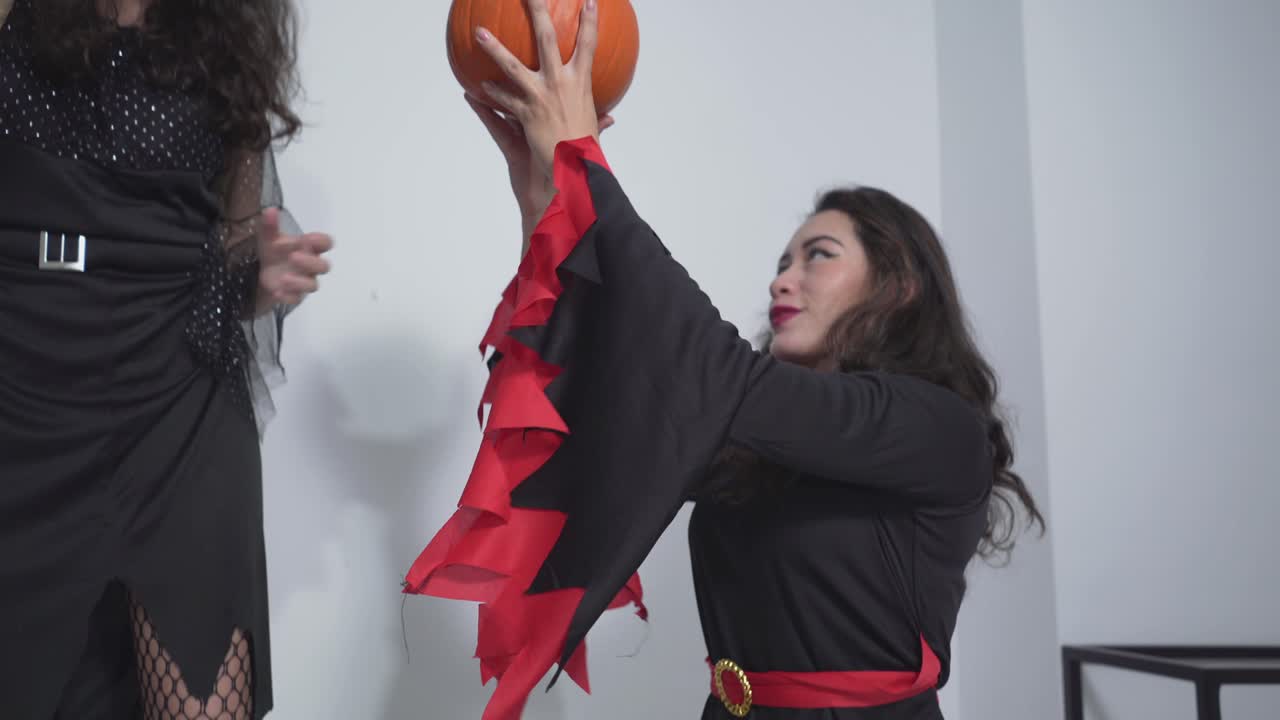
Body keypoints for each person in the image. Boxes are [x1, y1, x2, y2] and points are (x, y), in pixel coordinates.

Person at [403, 1, 1044, 719]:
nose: (782, 280)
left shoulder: (939, 429)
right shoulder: (751, 438)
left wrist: (583, 169)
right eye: (782, 262)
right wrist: (545, 205)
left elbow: (715, 375)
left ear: (899, 285)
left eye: (818, 256)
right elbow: (585, 404)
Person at [0, 0, 330, 717]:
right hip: (23, 398)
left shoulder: (230, 30)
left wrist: (260, 277)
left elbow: (233, 247)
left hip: (179, 401)